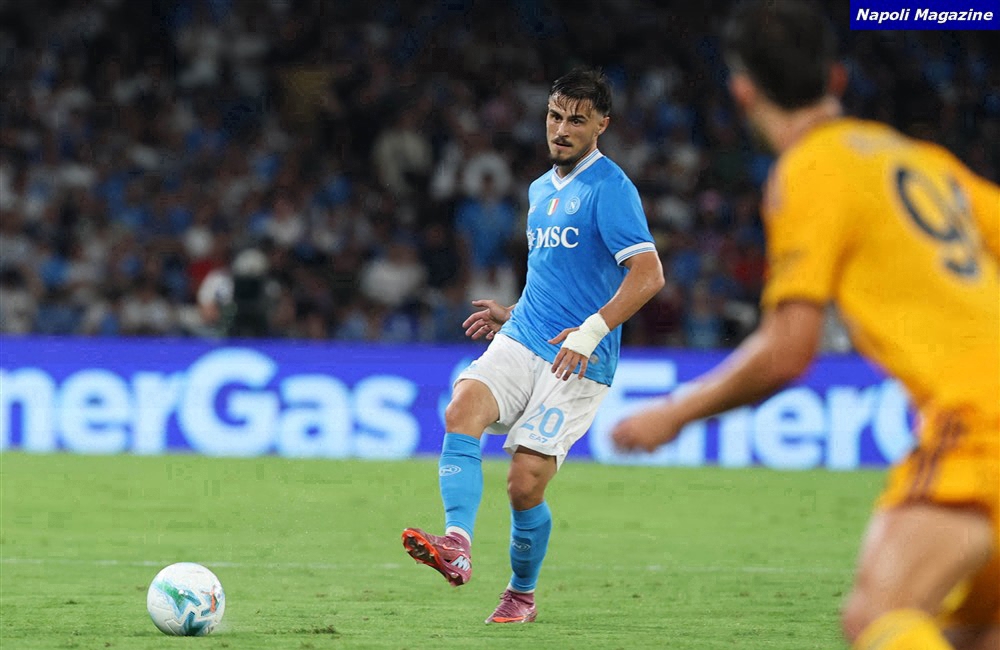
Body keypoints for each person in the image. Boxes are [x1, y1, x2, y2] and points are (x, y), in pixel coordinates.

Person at [612, 2, 999, 650]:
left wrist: (675, 414)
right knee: (973, 631)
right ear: (836, 78)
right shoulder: (920, 161)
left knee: (878, 617)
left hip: (978, 420)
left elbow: (789, 349)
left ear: (743, 90)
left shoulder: (811, 169)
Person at [401, 68, 665, 624]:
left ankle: (521, 594)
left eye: (577, 120)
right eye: (555, 116)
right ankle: (456, 544)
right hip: (525, 337)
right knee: (463, 407)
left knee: (523, 485)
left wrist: (590, 332)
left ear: (601, 125)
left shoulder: (611, 188)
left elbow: (648, 274)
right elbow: (555, 275)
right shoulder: (540, 189)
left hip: (579, 359)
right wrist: (514, 312)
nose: (562, 129)